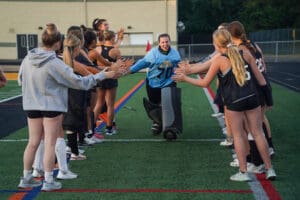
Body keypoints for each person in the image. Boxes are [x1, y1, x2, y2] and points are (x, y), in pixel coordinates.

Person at [17, 23, 118, 191]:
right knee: (50, 142)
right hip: (51, 106)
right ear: (57, 43)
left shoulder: (28, 58)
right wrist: (102, 75)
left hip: (32, 104)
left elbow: (21, 80)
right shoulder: (54, 62)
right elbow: (79, 82)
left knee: (33, 142)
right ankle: (49, 181)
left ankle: (26, 177)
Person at [172, 28, 276, 181]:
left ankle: (243, 172)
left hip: (234, 101)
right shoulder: (245, 53)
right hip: (253, 97)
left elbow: (204, 82)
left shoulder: (220, 59)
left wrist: (184, 78)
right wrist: (269, 101)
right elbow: (261, 80)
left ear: (216, 43)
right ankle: (270, 169)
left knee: (239, 135)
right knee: (258, 133)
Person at [125, 33, 181, 135]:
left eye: (167, 41)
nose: (165, 44)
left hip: (169, 81)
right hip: (153, 83)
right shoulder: (153, 54)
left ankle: (171, 126)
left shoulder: (175, 54)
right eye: (163, 42)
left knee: (168, 104)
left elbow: (178, 65)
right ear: (159, 43)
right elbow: (142, 63)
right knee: (154, 105)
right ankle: (157, 121)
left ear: (170, 41)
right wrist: (129, 70)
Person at [93, 30, 122, 135]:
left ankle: (92, 127)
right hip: (111, 78)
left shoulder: (97, 49)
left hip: (100, 77)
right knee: (110, 105)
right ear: (113, 38)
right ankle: (109, 128)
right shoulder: (115, 51)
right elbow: (119, 66)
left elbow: (93, 65)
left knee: (99, 103)